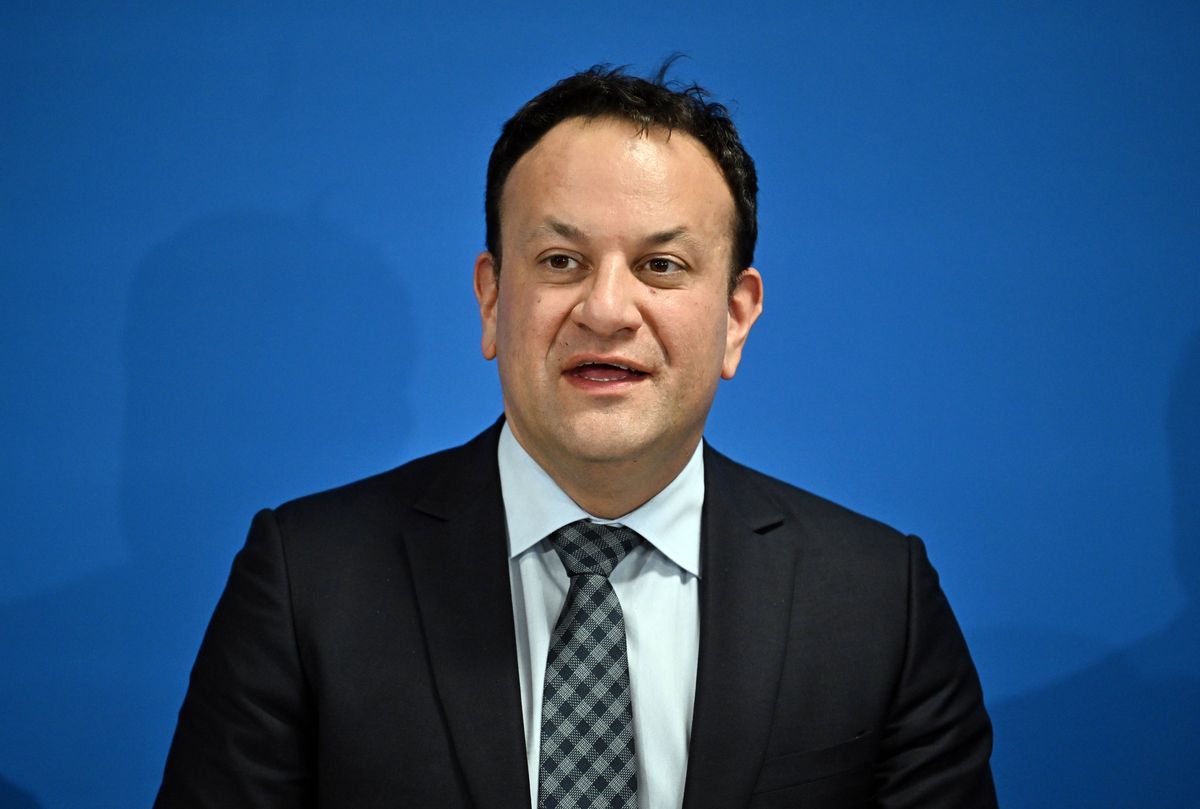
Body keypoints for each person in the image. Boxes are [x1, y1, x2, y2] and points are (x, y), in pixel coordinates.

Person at [155, 64, 997, 809]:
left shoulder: (879, 601)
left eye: (661, 266)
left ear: (736, 317)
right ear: (492, 300)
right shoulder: (307, 581)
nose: (605, 309)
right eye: (560, 260)